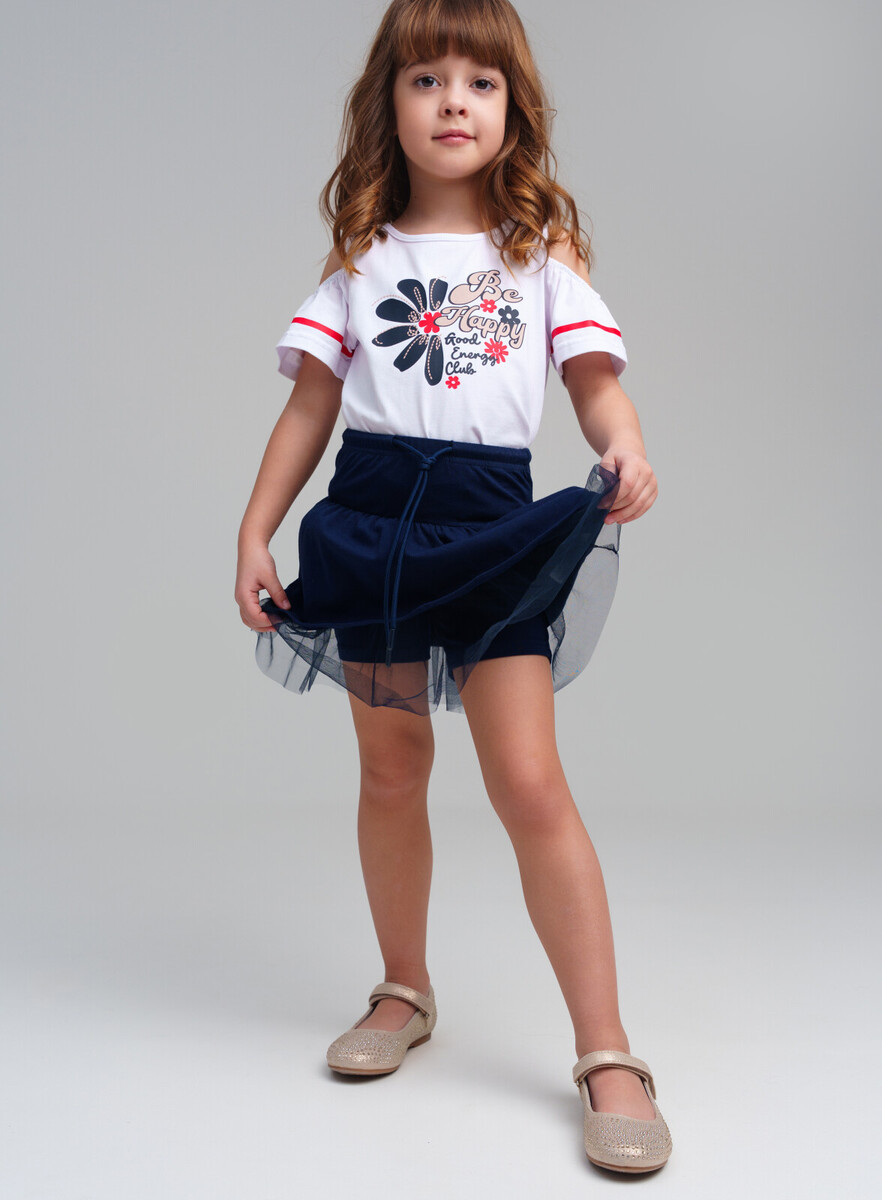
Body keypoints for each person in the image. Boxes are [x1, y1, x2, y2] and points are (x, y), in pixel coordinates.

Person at [235, 0, 672, 1174]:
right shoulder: (359, 259)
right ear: (387, 104)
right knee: (391, 768)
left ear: (513, 109)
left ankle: (608, 1050)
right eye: (425, 79)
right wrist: (255, 531)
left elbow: (594, 387)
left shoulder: (539, 256)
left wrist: (625, 444)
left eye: (480, 82)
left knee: (528, 782)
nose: (453, 103)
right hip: (373, 528)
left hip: (488, 532)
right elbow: (310, 409)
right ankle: (404, 988)